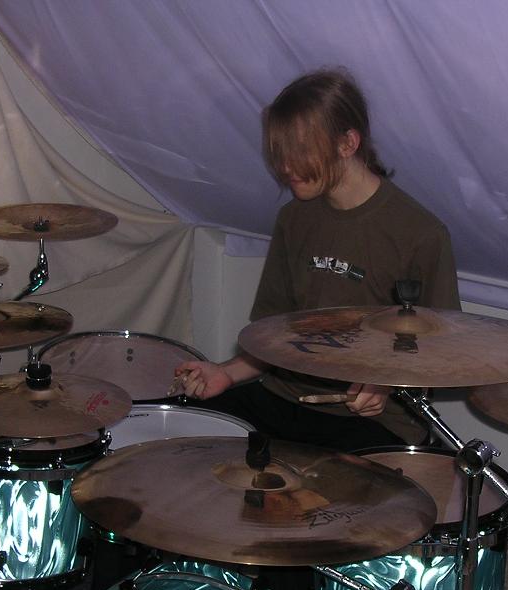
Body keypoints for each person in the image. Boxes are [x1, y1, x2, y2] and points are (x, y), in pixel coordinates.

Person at [174, 68, 460, 452]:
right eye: (280, 152)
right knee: (177, 435)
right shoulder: (294, 218)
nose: (285, 166)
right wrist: (225, 373)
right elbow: (276, 335)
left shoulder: (420, 233)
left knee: (326, 486)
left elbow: (442, 350)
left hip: (373, 421)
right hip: (284, 397)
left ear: (348, 143)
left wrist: (385, 384)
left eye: (299, 151)